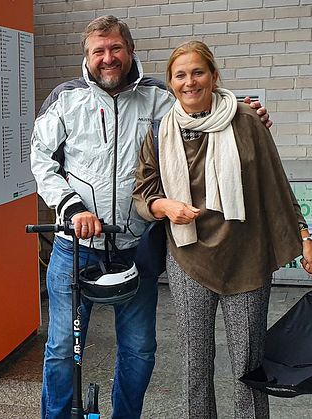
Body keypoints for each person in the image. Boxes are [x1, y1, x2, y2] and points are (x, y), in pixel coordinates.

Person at [30, 16, 270, 419]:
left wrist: (246, 116)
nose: (108, 58)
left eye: (116, 48)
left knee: (139, 349)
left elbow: (203, 106)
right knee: (60, 348)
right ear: (86, 57)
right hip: (76, 246)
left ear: (131, 50)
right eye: (98, 51)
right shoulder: (65, 99)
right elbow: (41, 161)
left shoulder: (160, 98)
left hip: (137, 245)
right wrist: (72, 207)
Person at [133, 41, 312, 419]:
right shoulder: (159, 132)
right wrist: (164, 206)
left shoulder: (246, 120)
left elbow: (276, 186)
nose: (190, 82)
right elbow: (142, 194)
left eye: (198, 72)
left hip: (247, 258)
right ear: (170, 84)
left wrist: (304, 238)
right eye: (180, 75)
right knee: (195, 364)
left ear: (214, 76)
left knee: (249, 367)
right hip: (189, 259)